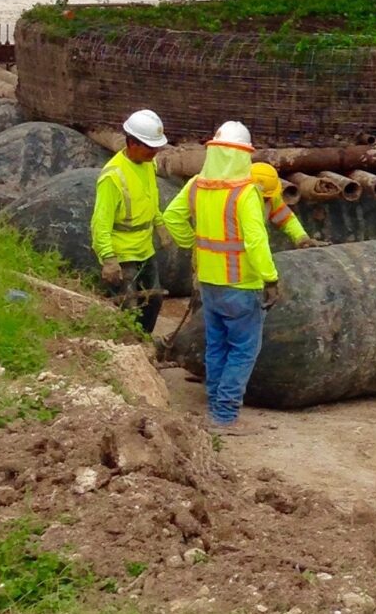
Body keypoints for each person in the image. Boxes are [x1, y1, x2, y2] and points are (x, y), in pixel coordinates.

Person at [158, 120, 277, 433]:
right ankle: (224, 416)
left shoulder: (197, 183)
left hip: (208, 283)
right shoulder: (244, 193)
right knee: (242, 350)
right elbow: (255, 239)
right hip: (242, 285)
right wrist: (271, 277)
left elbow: (171, 216)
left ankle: (215, 408)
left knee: (217, 345)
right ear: (242, 155)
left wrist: (192, 241)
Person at [90, 107, 169, 333]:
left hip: (145, 249)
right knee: (129, 308)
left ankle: (144, 343)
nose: (155, 152)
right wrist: (108, 258)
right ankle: (128, 346)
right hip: (123, 254)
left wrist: (159, 224)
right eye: (150, 147)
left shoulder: (147, 165)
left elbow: (148, 197)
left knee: (153, 300)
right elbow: (100, 223)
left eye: (157, 147)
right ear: (132, 143)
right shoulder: (113, 177)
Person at [250, 159, 312, 253]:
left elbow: (286, 220)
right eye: (264, 197)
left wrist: (301, 238)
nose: (266, 199)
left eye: (267, 196)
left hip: (258, 251)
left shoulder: (272, 198)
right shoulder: (235, 200)